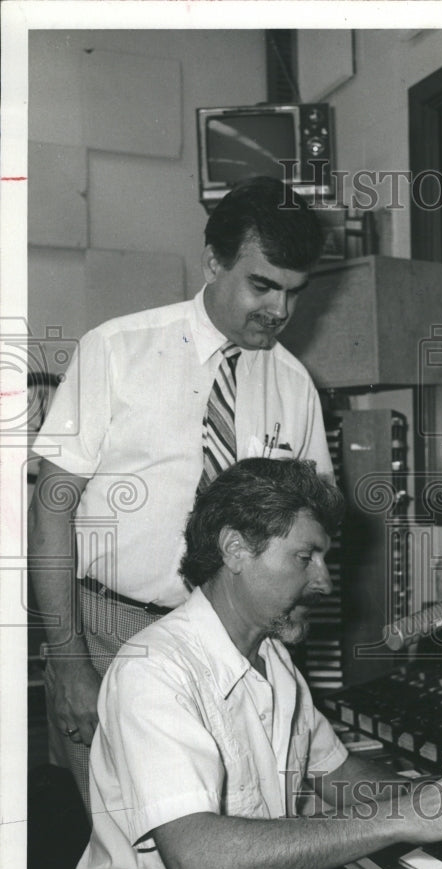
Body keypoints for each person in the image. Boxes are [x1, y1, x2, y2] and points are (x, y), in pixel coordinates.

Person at [68, 459, 442, 869]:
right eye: (306, 558)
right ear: (235, 549)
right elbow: (200, 866)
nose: (325, 583)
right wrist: (405, 815)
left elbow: (337, 775)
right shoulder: (155, 673)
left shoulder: (272, 658)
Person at [28, 176, 332, 811]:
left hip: (242, 640)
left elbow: (307, 529)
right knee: (130, 849)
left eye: (294, 293)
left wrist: (293, 609)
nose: (279, 311)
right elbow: (51, 510)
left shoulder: (294, 384)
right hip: (113, 632)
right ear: (214, 261)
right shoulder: (117, 350)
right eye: (262, 285)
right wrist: (69, 663)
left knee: (240, 840)